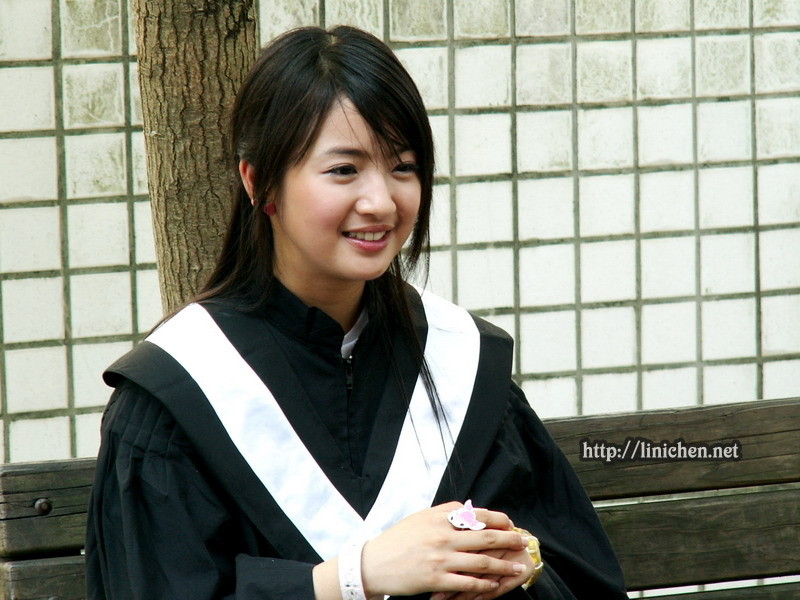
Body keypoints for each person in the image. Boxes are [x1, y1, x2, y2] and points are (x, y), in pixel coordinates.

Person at [85, 25, 627, 600]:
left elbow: (573, 571)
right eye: (344, 170)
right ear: (259, 182)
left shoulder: (459, 365)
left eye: (403, 167)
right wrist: (352, 578)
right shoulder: (179, 391)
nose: (381, 202)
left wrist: (517, 568)